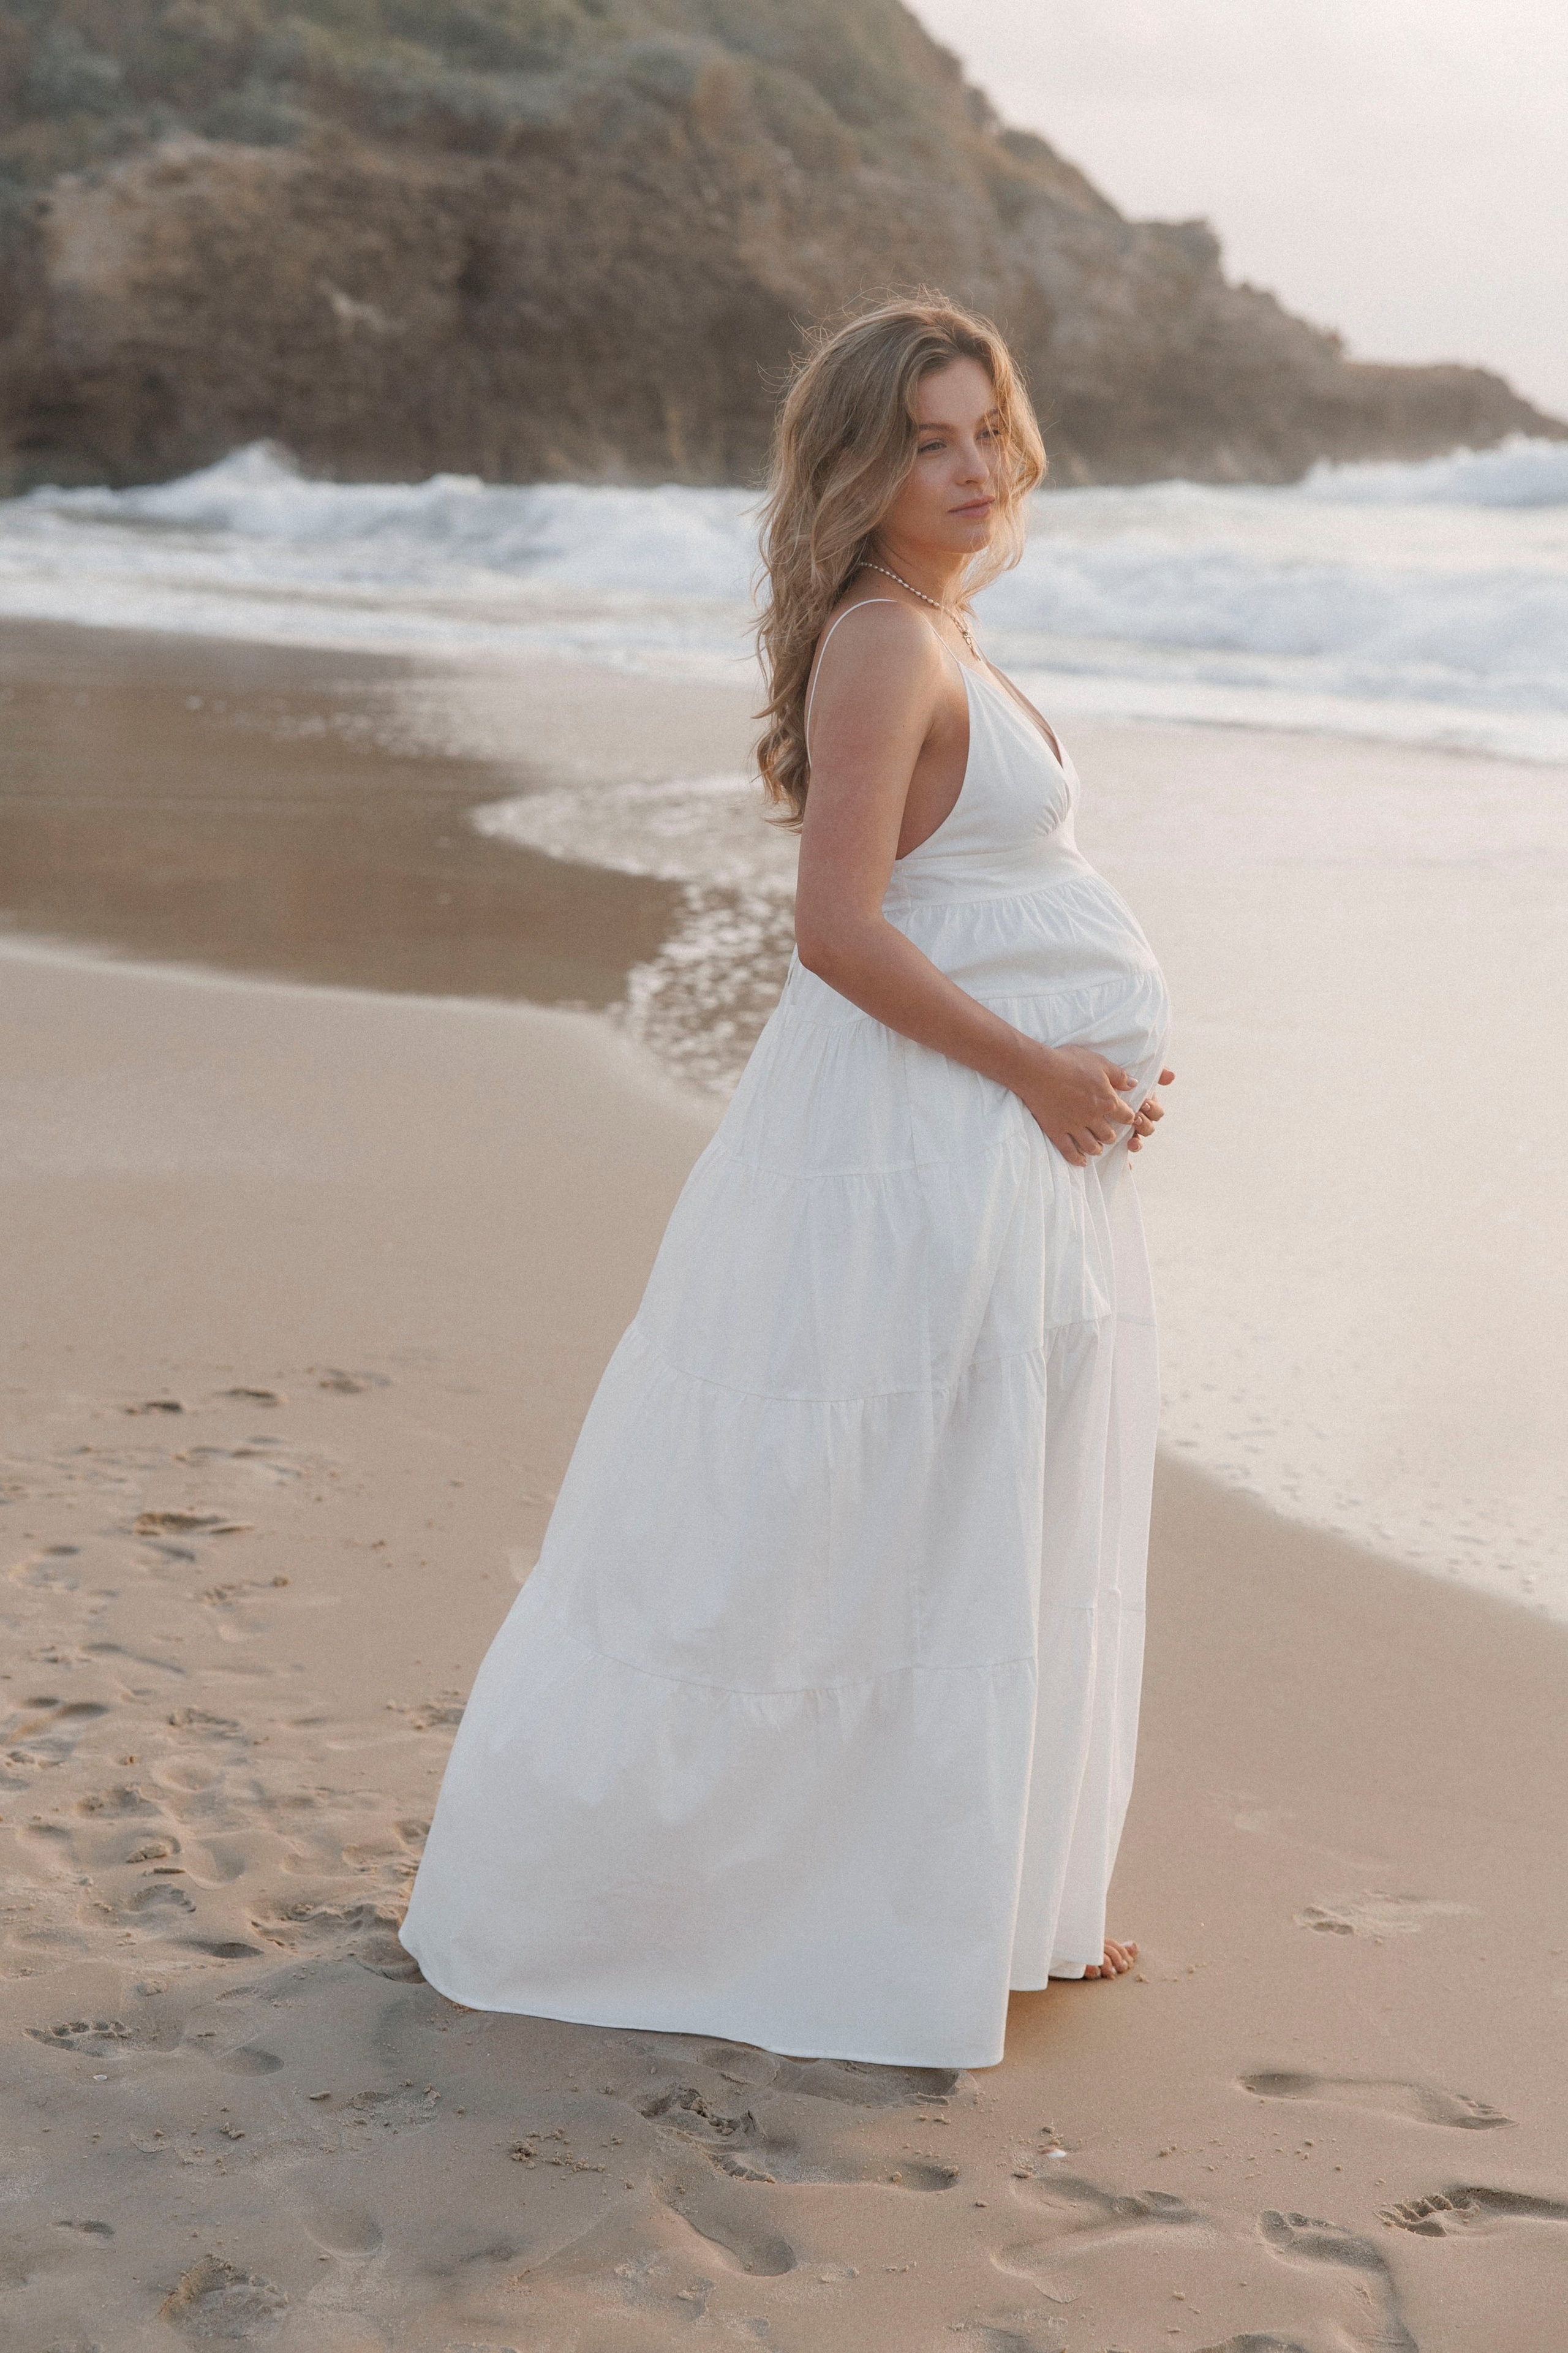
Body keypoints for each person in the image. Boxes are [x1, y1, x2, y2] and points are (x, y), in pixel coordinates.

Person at [399, 296, 1175, 2070]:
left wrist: (1097, 1059)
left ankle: (977, 1897)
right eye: (928, 439)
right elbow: (836, 932)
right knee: (889, 1516)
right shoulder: (886, 645)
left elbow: (980, 902)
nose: (973, 466)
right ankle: (818, 1914)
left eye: (986, 428)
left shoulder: (940, 626)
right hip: (923, 1141)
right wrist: (1048, 1066)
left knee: (976, 1512)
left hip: (1005, 1135)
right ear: (859, 462)